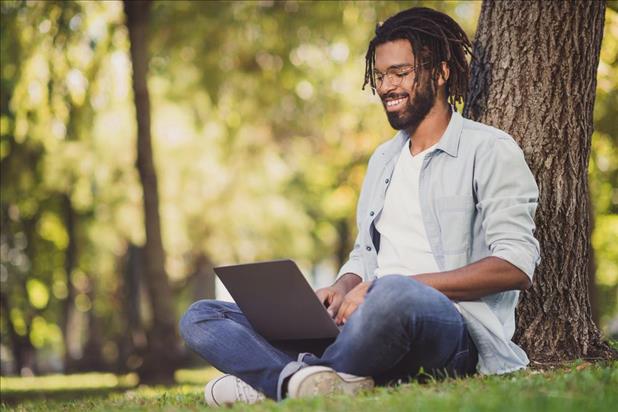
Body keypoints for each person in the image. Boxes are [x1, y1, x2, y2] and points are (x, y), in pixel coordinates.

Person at [179, 6, 540, 406]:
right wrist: (343, 287)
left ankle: (280, 378)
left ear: (440, 73)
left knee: (395, 294)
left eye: (401, 73)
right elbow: (365, 256)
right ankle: (302, 380)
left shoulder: (489, 150)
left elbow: (515, 265)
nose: (387, 87)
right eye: (381, 76)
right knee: (202, 316)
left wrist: (384, 288)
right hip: (364, 320)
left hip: (448, 330)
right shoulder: (383, 160)